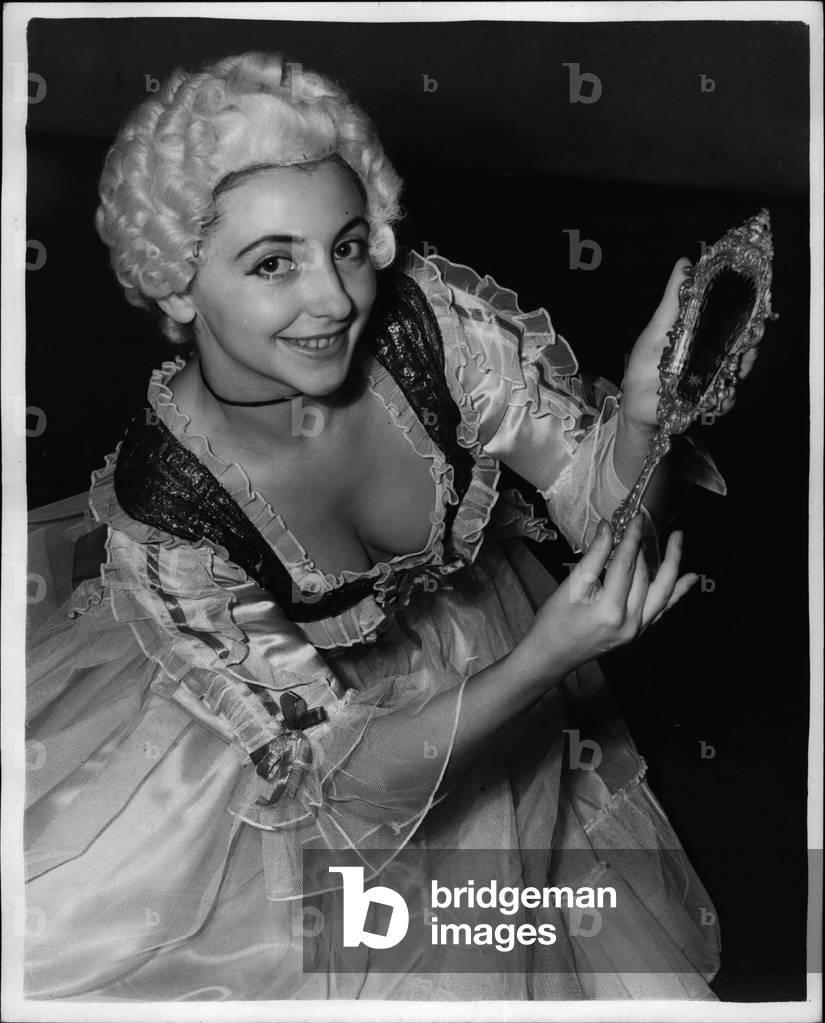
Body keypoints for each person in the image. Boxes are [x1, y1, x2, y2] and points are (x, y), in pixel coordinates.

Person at [24, 51, 749, 1001]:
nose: (333, 299)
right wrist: (544, 655)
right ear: (173, 284)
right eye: (272, 262)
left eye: (348, 244)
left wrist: (643, 423)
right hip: (297, 754)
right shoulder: (170, 529)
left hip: (467, 657)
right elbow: (350, 790)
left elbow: (605, 508)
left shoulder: (432, 329)